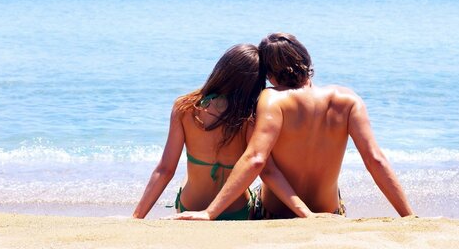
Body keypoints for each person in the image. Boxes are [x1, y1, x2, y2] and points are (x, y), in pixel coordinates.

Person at [173, 33, 415, 220]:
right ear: (307, 61)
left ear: (270, 76)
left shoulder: (271, 99)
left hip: (273, 213)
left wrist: (210, 212)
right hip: (330, 211)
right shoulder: (348, 99)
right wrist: (408, 216)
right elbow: (375, 160)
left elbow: (256, 159)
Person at [133, 43, 320, 220]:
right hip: (238, 212)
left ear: (221, 70)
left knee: (188, 175)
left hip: (190, 208)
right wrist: (306, 213)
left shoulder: (185, 108)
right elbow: (268, 171)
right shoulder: (251, 115)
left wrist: (137, 217)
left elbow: (165, 170)